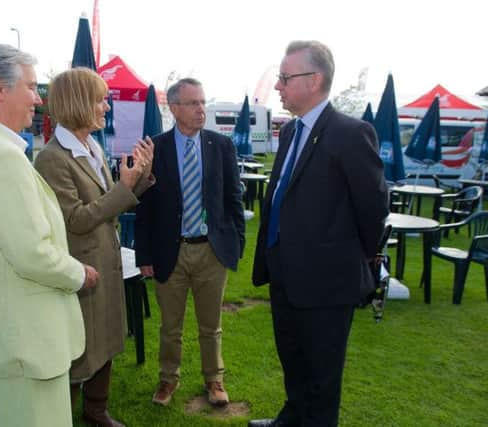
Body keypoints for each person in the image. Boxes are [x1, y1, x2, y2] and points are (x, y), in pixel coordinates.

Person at [0, 41, 98, 427]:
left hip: (2, 342)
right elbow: (31, 253)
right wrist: (79, 273)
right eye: (31, 87)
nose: (38, 99)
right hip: (19, 347)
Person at [249, 40, 389, 427]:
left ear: (314, 80)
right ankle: (291, 418)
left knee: (323, 377)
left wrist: (353, 254)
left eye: (284, 77)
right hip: (284, 272)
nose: (278, 85)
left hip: (327, 281)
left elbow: (373, 206)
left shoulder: (350, 133)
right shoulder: (292, 131)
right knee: (293, 361)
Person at [34, 67, 154, 427]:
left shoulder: (91, 146)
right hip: (79, 270)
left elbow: (108, 203)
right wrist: (125, 187)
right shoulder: (52, 159)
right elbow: (76, 220)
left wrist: (140, 180)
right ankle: (61, 417)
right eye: (100, 99)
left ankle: (96, 411)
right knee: (79, 350)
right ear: (79, 103)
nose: (106, 105)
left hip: (105, 261)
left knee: (106, 340)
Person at [135, 78, 245, 407]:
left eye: (202, 102)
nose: (201, 110)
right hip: (171, 251)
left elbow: (233, 198)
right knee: (171, 326)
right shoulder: (155, 147)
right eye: (193, 103)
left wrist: (235, 242)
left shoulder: (220, 146)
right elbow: (145, 207)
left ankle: (215, 380)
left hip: (211, 250)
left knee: (211, 325)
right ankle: (168, 380)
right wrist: (145, 254)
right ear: (174, 108)